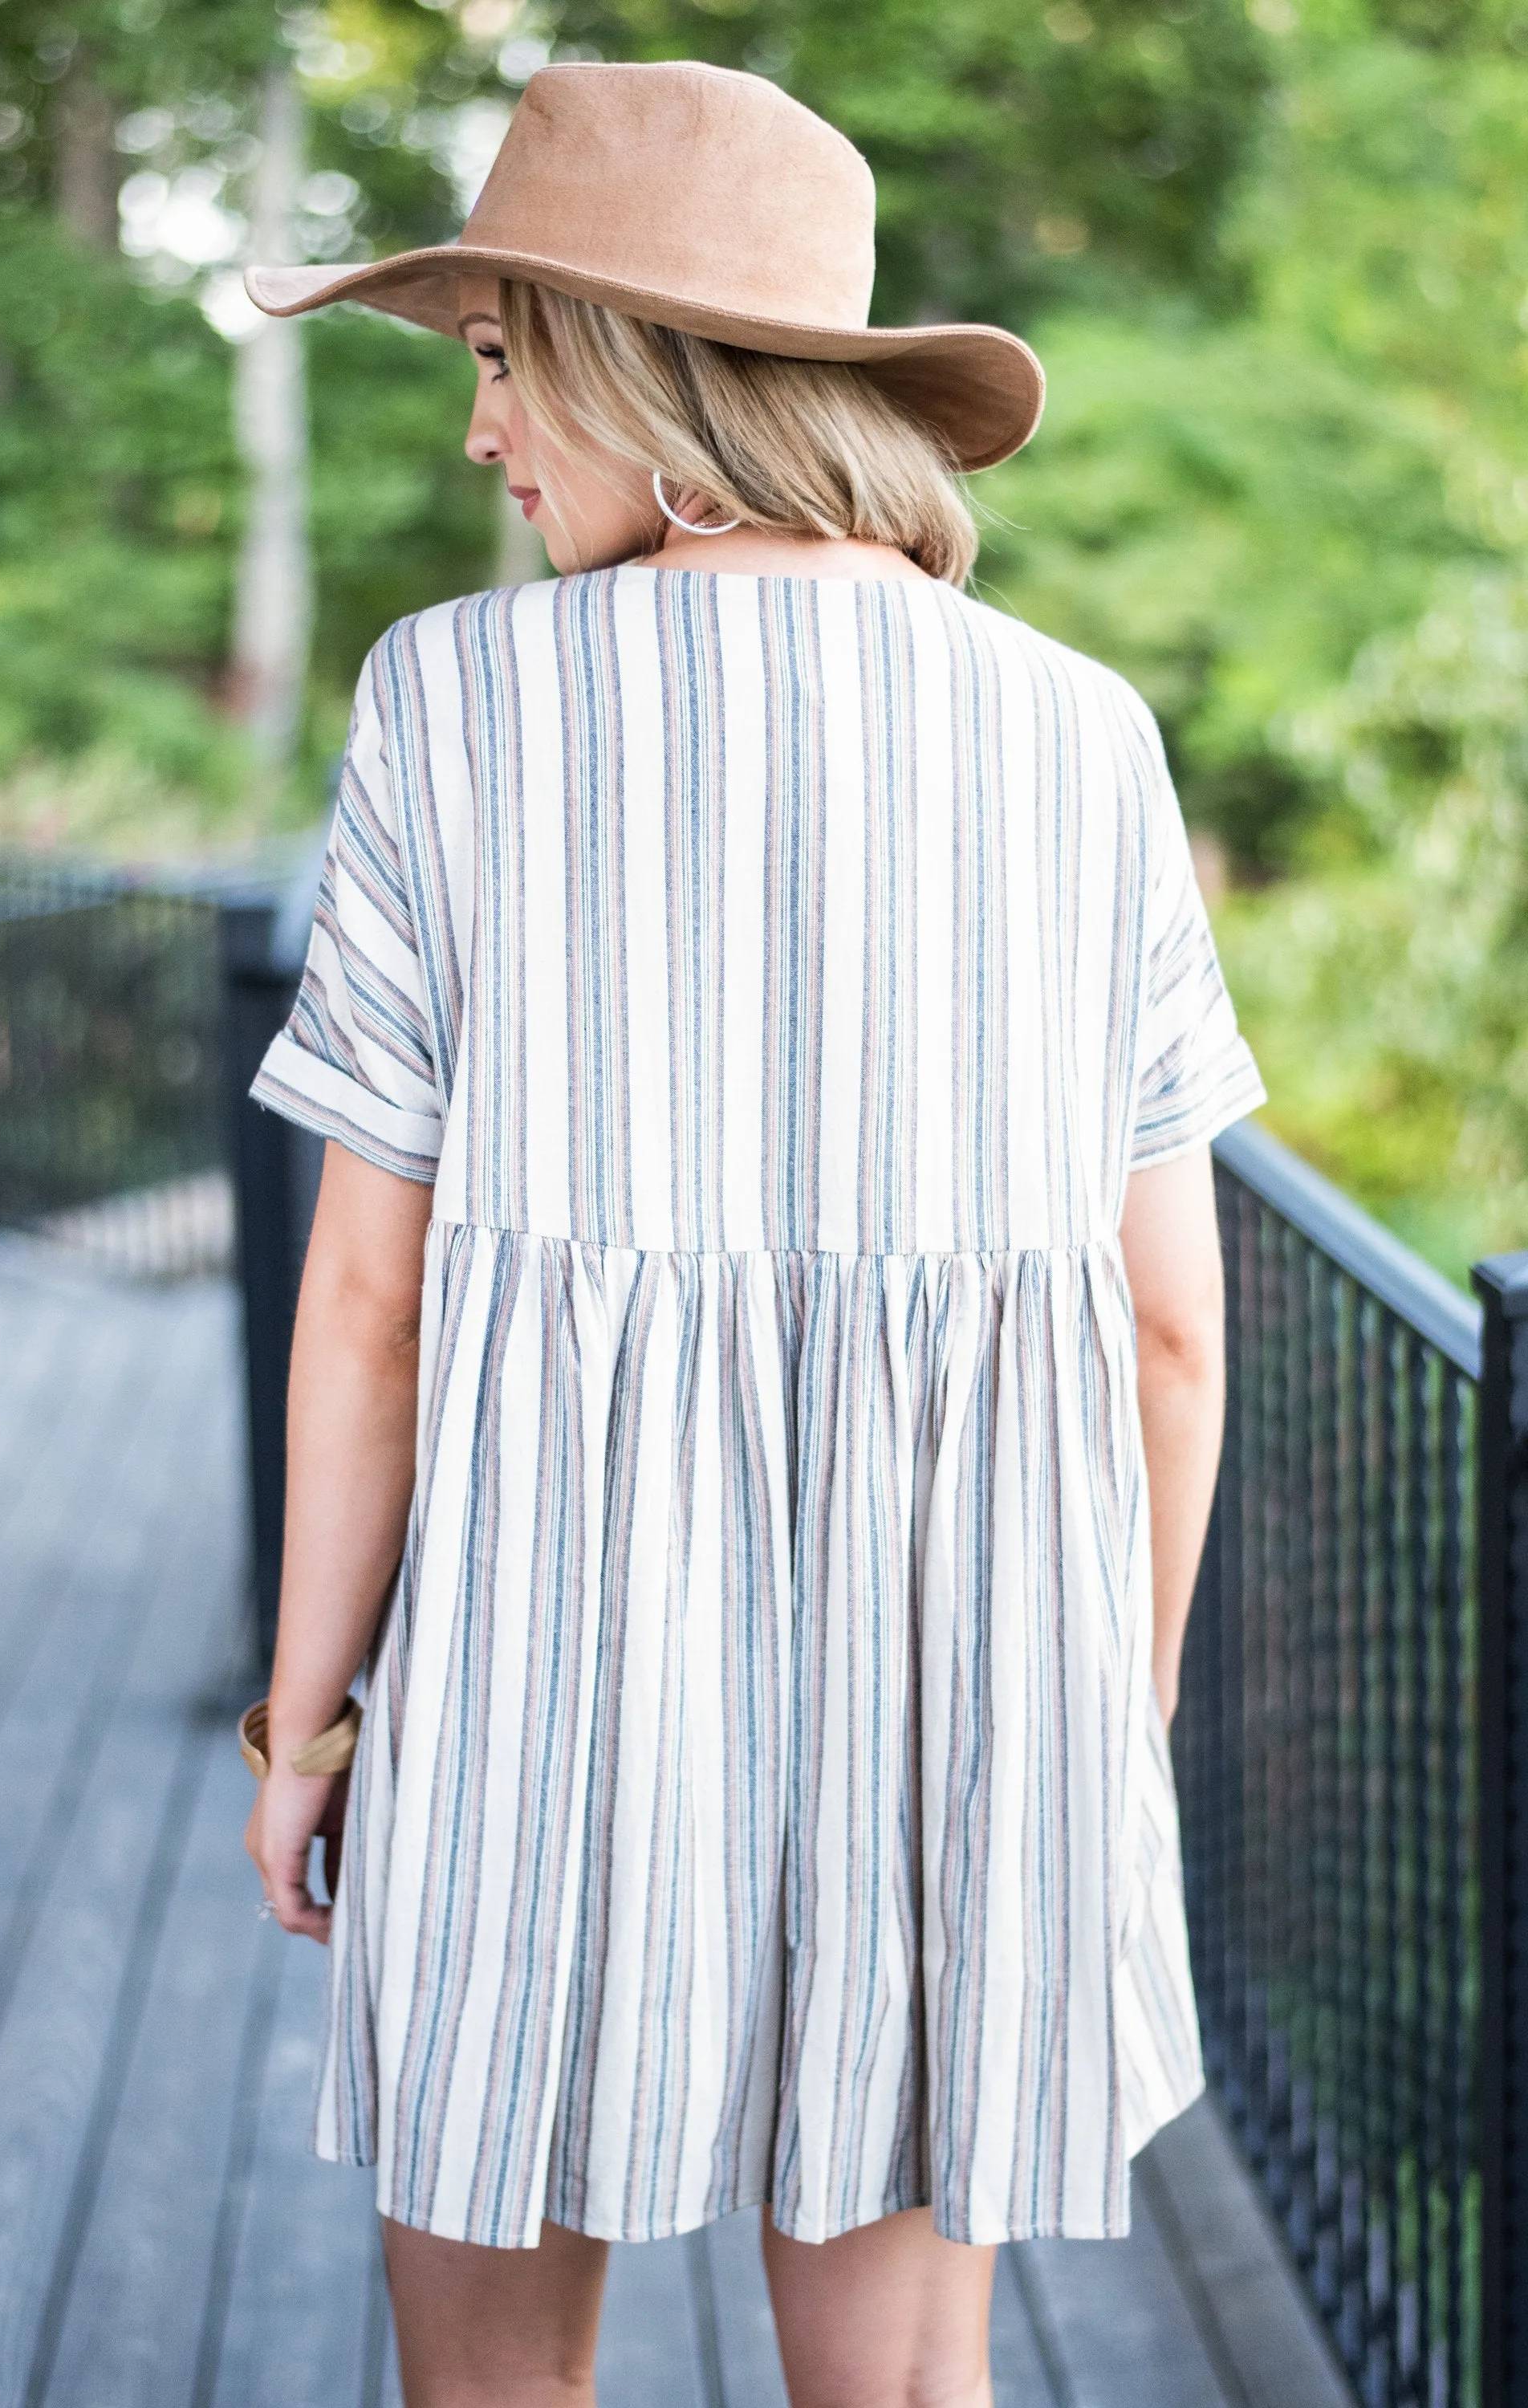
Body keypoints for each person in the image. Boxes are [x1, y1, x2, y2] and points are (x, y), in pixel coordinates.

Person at [238, 59, 1265, 2408]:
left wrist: (302, 1726)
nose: (481, 432)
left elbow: (371, 1304)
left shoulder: (452, 706)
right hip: (958, 1690)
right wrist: (1101, 1715)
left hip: (532, 1683)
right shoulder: (1080, 734)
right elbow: (1169, 1335)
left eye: (501, 355)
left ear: (635, 364)